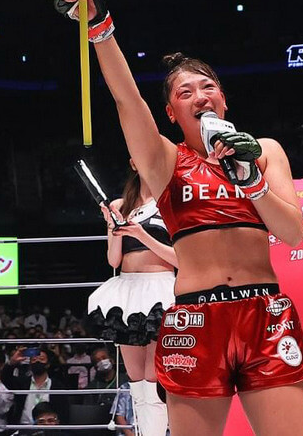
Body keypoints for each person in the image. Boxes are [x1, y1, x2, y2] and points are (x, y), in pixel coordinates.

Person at [56, 0, 303, 435]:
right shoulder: (165, 161)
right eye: (185, 92)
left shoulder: (265, 151)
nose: (200, 95)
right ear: (172, 113)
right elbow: (127, 100)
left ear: (224, 99)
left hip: (266, 315)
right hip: (196, 316)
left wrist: (252, 181)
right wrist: (99, 26)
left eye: (208, 86)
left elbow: (292, 232)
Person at [86, 160, 178, 436]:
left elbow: (182, 259)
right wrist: (112, 226)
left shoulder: (172, 203)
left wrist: (141, 234)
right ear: (133, 164)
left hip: (161, 291)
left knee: (154, 378)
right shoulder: (120, 205)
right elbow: (113, 259)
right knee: (136, 381)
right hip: (126, 293)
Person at [3, 348, 70, 426]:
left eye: (41, 359)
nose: (37, 361)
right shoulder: (22, 383)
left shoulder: (57, 386)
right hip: (24, 428)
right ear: (30, 364)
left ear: (48, 364)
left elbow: (63, 411)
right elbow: (5, 378)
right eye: (34, 359)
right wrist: (11, 363)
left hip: (49, 428)